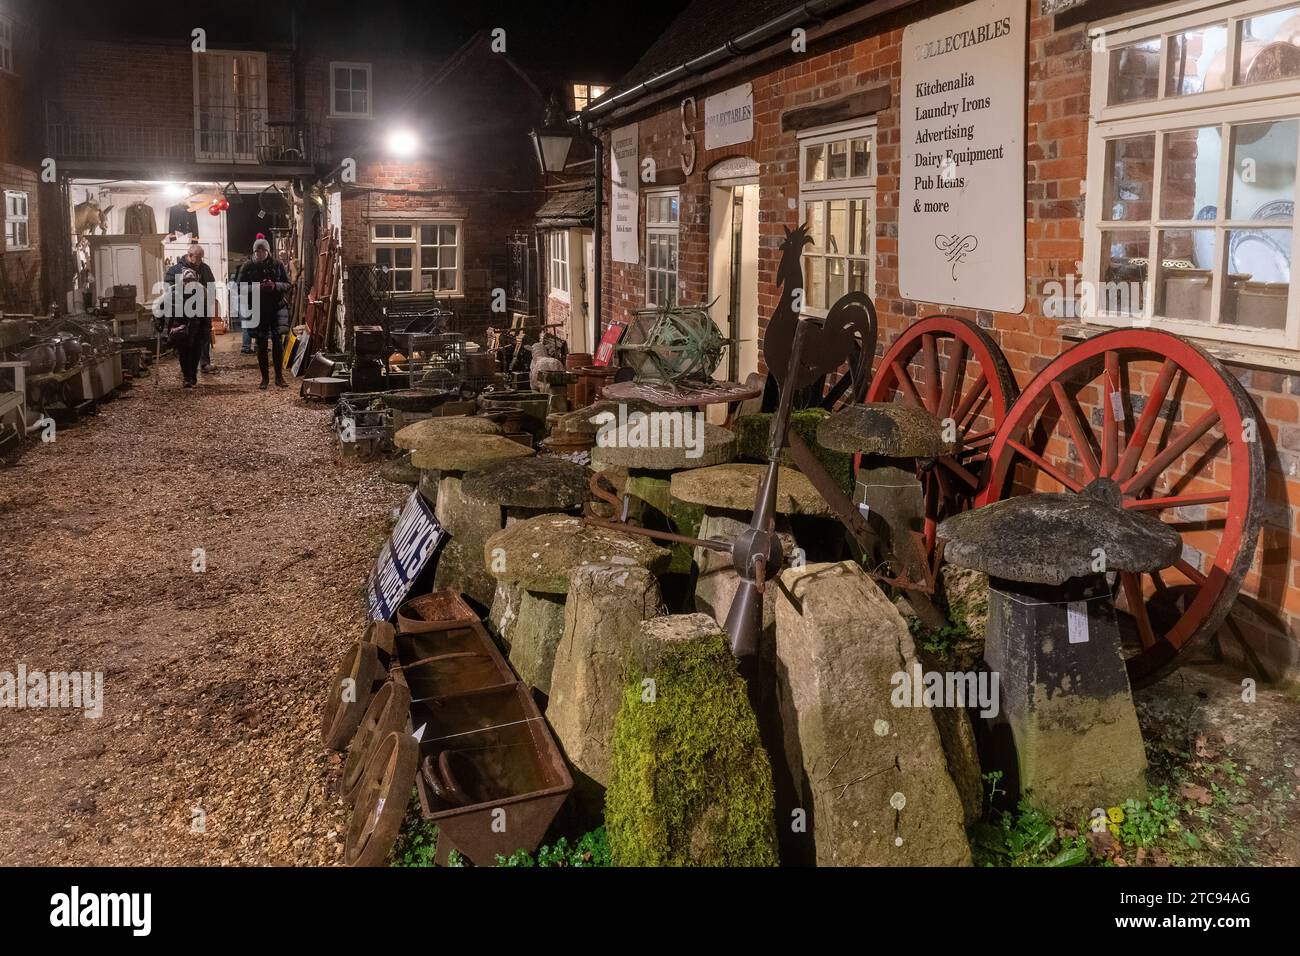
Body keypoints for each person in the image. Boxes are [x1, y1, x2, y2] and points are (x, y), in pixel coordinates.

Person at [236, 234, 291, 389]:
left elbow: (287, 284)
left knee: (277, 342)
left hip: (276, 307)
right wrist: (257, 287)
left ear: (267, 251)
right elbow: (239, 287)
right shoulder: (247, 266)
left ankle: (279, 377)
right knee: (260, 344)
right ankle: (264, 378)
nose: (259, 253)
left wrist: (275, 286)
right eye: (257, 251)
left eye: (262, 250)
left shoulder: (277, 264)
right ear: (254, 251)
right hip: (257, 309)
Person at [162, 243, 217, 388]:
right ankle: (187, 376)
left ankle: (192, 374)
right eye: (197, 257)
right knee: (183, 347)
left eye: (201, 258)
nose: (199, 260)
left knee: (197, 346)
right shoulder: (175, 270)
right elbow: (167, 289)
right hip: (182, 315)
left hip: (200, 313)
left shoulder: (204, 269)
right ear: (189, 255)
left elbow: (211, 287)